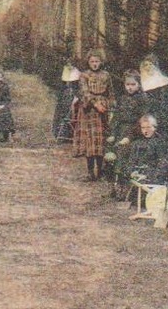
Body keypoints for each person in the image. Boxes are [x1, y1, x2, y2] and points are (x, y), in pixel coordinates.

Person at [72, 51, 112, 180]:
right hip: (88, 111)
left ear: (101, 62)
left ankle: (100, 171)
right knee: (90, 141)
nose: (95, 64)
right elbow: (84, 92)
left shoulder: (106, 75)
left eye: (97, 61)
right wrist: (95, 104)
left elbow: (111, 93)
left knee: (100, 141)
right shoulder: (84, 75)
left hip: (103, 111)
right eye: (92, 62)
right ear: (88, 62)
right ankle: (90, 172)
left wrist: (110, 106)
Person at [106, 69, 146, 199]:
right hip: (119, 131)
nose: (130, 87)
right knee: (109, 155)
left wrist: (129, 137)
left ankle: (123, 190)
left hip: (133, 132)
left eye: (133, 84)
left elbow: (141, 121)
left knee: (123, 159)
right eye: (127, 84)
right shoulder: (122, 99)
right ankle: (112, 187)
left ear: (139, 84)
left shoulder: (142, 100)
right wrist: (112, 133)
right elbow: (116, 117)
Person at [137, 54, 168, 131]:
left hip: (162, 117)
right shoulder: (141, 83)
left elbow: (166, 104)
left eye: (151, 64)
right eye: (146, 65)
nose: (148, 67)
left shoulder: (165, 83)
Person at [53, 61, 80, 141]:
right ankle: (61, 133)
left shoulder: (77, 71)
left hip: (74, 95)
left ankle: (70, 134)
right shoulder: (64, 70)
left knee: (72, 112)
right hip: (65, 95)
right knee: (62, 112)